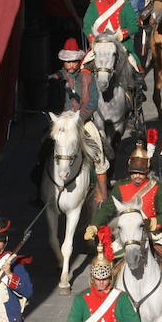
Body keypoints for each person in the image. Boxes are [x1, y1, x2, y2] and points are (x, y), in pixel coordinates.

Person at [84, 141, 162, 322]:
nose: (138, 176)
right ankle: (102, 305)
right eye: (134, 172)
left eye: (141, 172)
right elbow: (107, 209)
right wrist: (93, 225)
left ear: (147, 171)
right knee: (102, 266)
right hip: (127, 237)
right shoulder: (120, 187)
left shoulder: (157, 187)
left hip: (153, 234)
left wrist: (156, 222)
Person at [51, 38, 111, 203]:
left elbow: (92, 102)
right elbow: (54, 100)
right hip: (62, 121)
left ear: (79, 61)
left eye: (73, 62)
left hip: (82, 121)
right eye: (67, 62)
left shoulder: (88, 77)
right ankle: (42, 187)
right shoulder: (57, 77)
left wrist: (79, 118)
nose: (70, 65)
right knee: (45, 147)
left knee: (97, 148)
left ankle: (102, 191)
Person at [82, 0, 142, 72]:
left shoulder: (125, 5)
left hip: (121, 45)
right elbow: (86, 25)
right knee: (84, 70)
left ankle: (136, 88)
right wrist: (92, 38)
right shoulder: (94, 4)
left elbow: (134, 26)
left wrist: (122, 34)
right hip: (99, 45)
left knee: (135, 70)